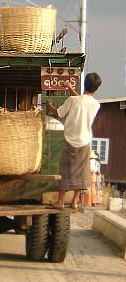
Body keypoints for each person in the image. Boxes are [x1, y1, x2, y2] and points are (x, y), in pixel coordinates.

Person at [46, 72, 102, 209]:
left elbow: (57, 112)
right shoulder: (96, 105)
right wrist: (70, 87)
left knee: (65, 171)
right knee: (82, 173)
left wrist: (49, 105)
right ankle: (75, 201)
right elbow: (82, 100)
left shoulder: (72, 100)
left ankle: (60, 201)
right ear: (96, 89)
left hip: (70, 140)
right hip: (85, 142)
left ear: (84, 84)